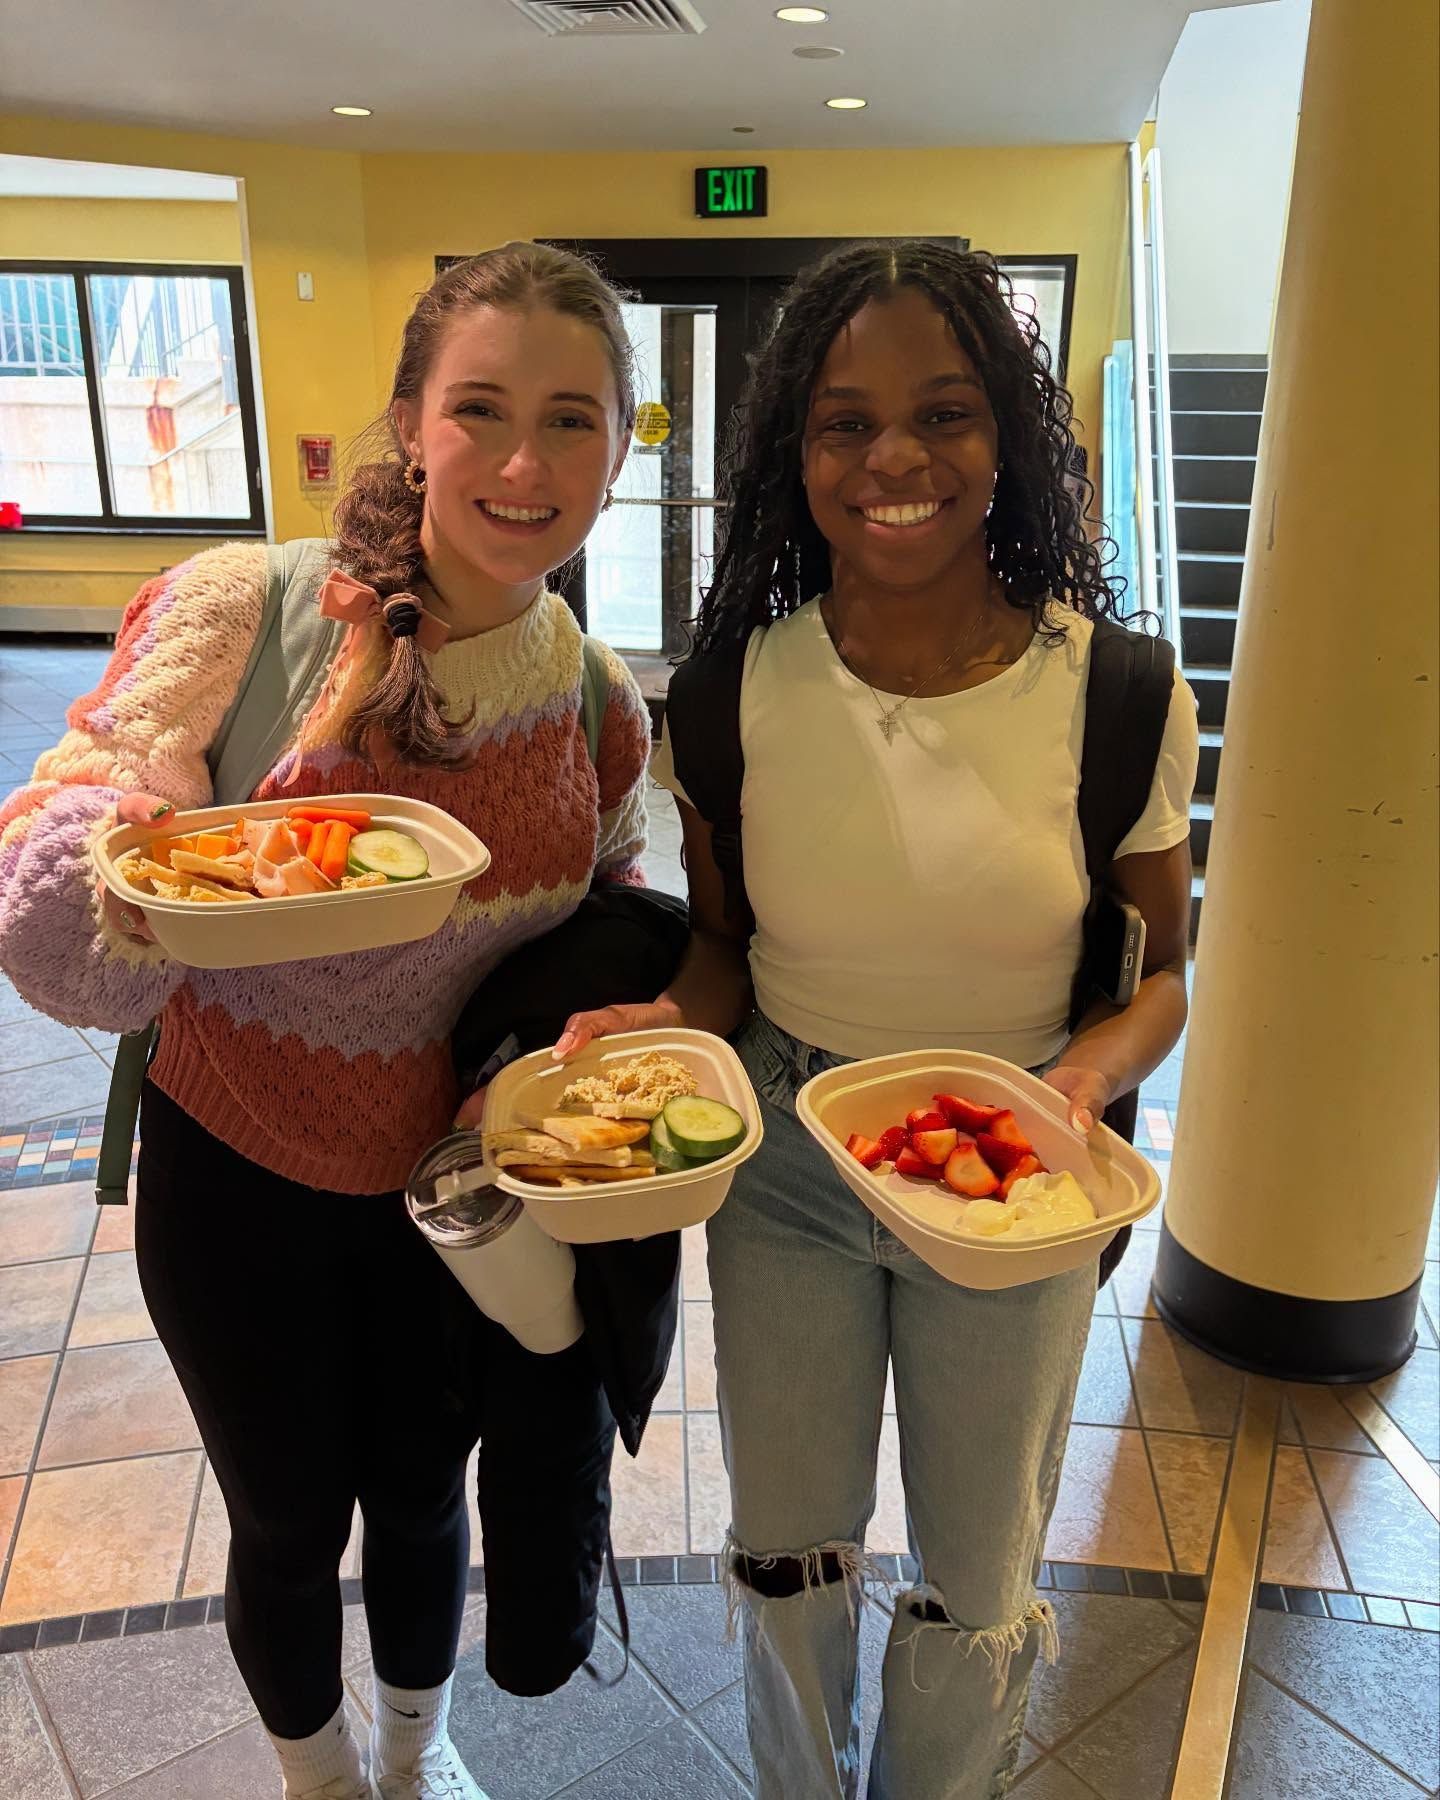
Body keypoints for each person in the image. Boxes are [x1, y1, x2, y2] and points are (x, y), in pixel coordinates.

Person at [0, 243, 654, 1800]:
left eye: (571, 419)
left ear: (625, 446)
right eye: (478, 407)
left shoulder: (596, 703)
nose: (519, 460)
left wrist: (613, 1031)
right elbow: (49, 936)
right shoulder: (251, 610)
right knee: (289, 1525)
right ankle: (322, 1781)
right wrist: (131, 843)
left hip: (455, 1204)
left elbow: (600, 933)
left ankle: (417, 1765)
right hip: (239, 1179)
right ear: (411, 422)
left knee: (427, 1506)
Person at [556, 241, 1198, 1799]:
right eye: (843, 423)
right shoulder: (728, 693)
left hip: (1014, 1172)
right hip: (786, 1161)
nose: (894, 458)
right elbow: (723, 945)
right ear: (795, 454)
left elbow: (1167, 970)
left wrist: (1091, 1076)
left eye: (946, 413)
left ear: (1012, 440)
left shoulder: (1117, 694)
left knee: (979, 1567)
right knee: (788, 1541)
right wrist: (661, 1022)